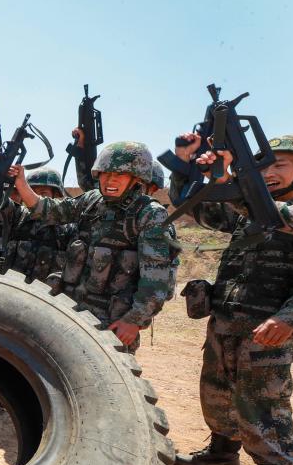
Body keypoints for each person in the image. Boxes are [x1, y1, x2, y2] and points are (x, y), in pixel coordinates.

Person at [171, 134, 293, 465]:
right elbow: (200, 208)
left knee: (264, 404)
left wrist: (289, 318)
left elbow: (270, 214)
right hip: (226, 321)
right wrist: (186, 166)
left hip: (269, 331)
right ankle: (222, 453)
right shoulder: (250, 211)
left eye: (280, 165)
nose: (269, 172)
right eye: (263, 166)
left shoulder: (282, 213)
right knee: (216, 392)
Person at [10, 141, 177, 352]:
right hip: (71, 310)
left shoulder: (150, 214)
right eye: (105, 173)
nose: (110, 180)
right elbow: (49, 210)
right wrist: (22, 183)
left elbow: (156, 279)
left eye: (120, 175)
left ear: (137, 178)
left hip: (111, 323)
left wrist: (134, 321)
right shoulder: (92, 200)